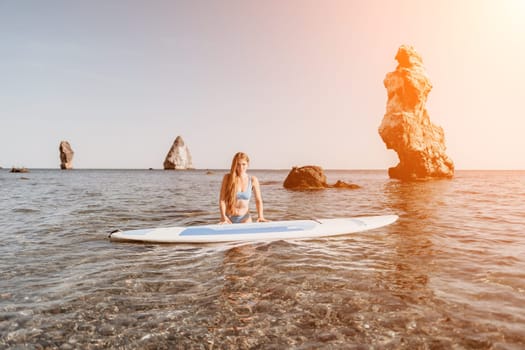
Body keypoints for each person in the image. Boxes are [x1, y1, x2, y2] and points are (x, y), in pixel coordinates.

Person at [219, 152, 268, 224]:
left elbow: (258, 200)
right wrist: (223, 216)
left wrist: (260, 216)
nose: (241, 167)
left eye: (243, 164)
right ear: (234, 165)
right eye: (238, 164)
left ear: (248, 164)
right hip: (228, 219)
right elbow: (222, 200)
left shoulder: (253, 180)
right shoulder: (227, 178)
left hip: (245, 218)